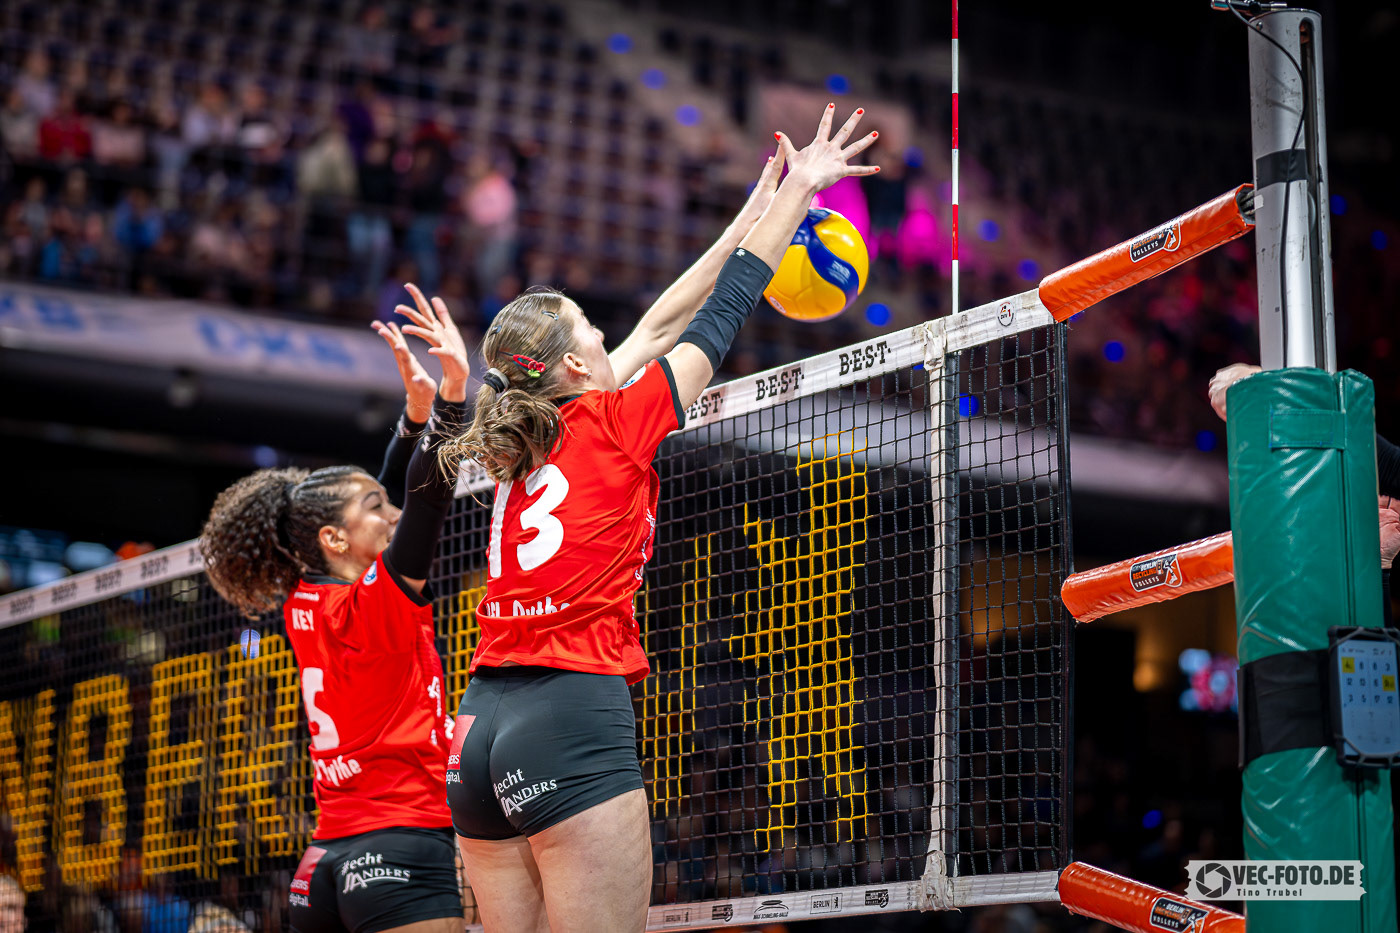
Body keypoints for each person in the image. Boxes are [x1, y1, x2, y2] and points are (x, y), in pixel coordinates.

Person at [438, 105, 878, 932]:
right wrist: (801, 191)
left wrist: (750, 216)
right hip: (569, 712)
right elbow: (720, 314)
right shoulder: (618, 421)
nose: (611, 335)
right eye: (592, 330)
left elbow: (660, 322)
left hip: (478, 729)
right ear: (576, 365)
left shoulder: (521, 441)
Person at [201, 284, 473, 933]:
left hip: (321, 865)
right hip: (401, 845)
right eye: (376, 509)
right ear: (334, 539)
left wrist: (413, 419)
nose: (392, 515)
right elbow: (425, 501)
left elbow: (386, 500)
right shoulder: (376, 603)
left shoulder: (305, 597)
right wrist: (452, 397)